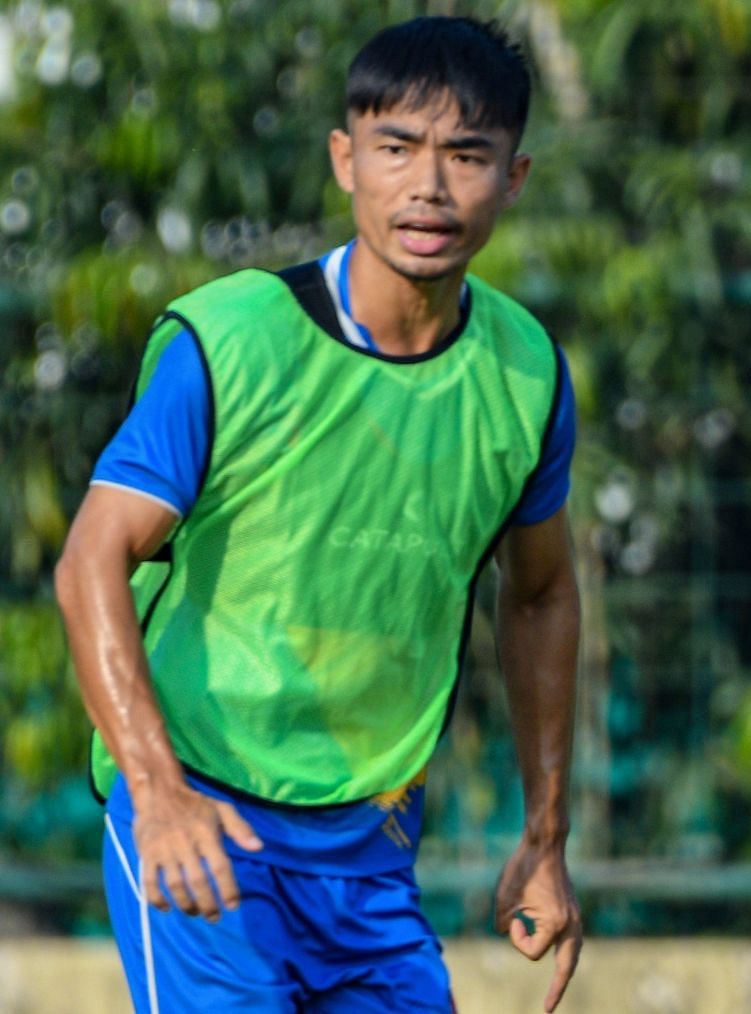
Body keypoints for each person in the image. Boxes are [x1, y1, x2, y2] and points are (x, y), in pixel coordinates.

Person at [54, 17, 584, 1013]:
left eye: (466, 155)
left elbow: (544, 594)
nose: (428, 187)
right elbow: (90, 562)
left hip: (372, 840)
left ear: (513, 178)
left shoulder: (525, 373)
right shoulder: (235, 339)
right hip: (200, 806)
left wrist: (546, 838)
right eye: (396, 149)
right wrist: (157, 791)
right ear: (346, 161)